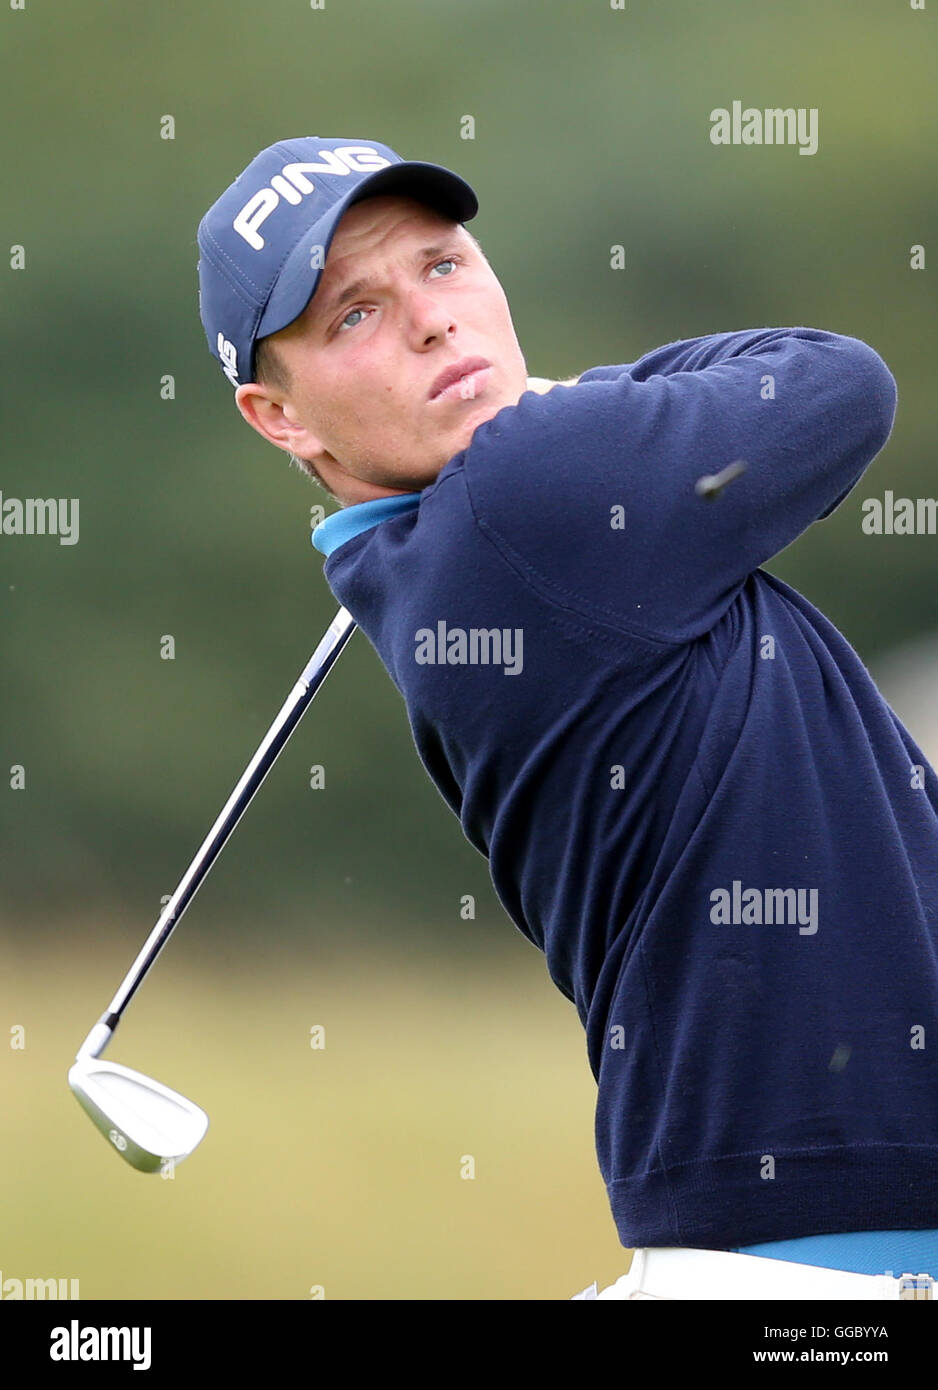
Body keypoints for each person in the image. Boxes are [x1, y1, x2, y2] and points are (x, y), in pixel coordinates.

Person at [197, 136, 938, 1300]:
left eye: (442, 267)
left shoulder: (450, 542)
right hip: (818, 1265)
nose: (433, 322)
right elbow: (837, 381)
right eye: (352, 316)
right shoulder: (521, 501)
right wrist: (564, 401)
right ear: (279, 418)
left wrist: (557, 411)